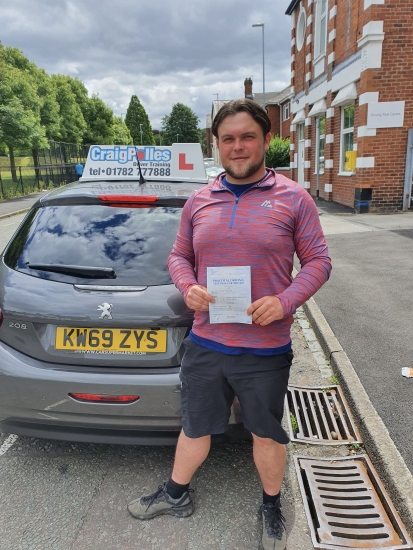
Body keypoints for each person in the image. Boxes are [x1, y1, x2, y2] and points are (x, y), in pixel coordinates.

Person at [127, 99, 332, 550]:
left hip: (265, 348)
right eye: (228, 139)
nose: (237, 147)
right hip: (207, 341)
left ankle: (272, 504)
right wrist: (187, 285)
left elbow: (318, 261)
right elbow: (179, 256)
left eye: (247, 137)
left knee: (265, 431)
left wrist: (285, 301)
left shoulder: (293, 197)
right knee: (195, 425)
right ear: (216, 145)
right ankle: (176, 493)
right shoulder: (199, 200)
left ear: (265, 140)